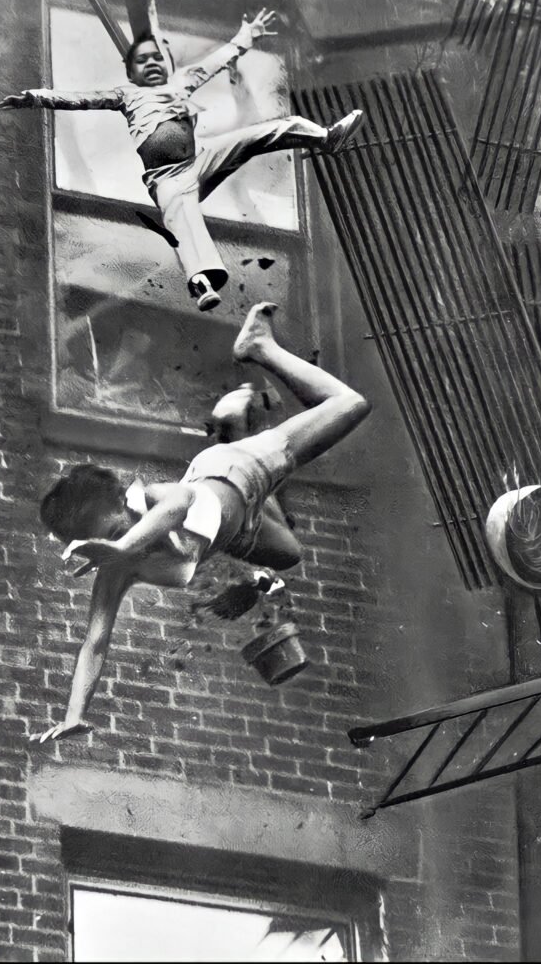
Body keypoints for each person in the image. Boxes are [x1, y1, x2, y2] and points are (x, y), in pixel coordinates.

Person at [32, 302, 371, 742]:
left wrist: (122, 546)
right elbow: (94, 641)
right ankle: (234, 422)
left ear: (124, 500)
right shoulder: (116, 569)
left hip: (241, 471)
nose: (122, 541)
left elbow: (181, 503)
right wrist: (74, 714)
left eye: (117, 529)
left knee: (348, 404)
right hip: (238, 528)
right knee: (290, 554)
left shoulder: (152, 500)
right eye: (106, 543)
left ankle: (260, 348)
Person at [0, 8, 364, 311]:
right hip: (167, 178)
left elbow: (217, 61)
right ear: (131, 72)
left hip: (200, 161)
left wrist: (246, 36)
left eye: (157, 57)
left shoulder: (181, 84)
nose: (152, 63)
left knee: (268, 131)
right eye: (142, 61)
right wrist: (34, 97)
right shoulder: (124, 94)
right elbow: (79, 98)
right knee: (183, 219)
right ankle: (201, 283)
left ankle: (325, 138)